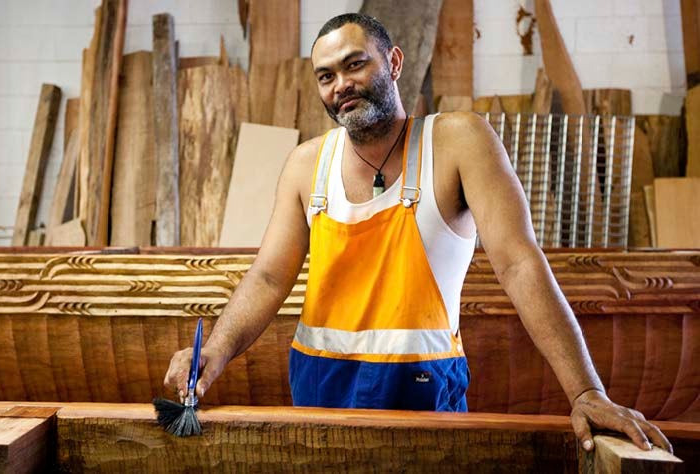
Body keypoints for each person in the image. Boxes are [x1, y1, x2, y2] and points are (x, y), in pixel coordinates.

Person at [165, 13, 671, 453]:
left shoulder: (457, 142)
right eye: (325, 76)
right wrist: (217, 350)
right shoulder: (306, 165)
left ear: (394, 62)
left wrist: (585, 393)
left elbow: (519, 263)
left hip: (420, 389)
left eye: (354, 64)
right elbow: (270, 276)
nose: (340, 84)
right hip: (321, 389)